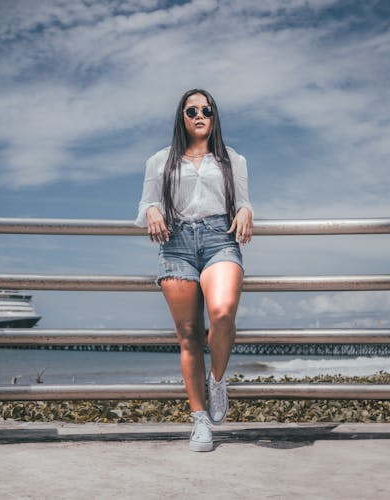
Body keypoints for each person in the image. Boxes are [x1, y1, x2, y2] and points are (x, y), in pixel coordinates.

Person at [135, 89, 253, 452]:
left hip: (220, 239)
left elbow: (244, 202)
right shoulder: (160, 161)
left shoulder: (233, 160)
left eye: (206, 109)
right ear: (182, 117)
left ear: (214, 116)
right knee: (188, 335)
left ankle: (217, 382)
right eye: (192, 110)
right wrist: (153, 210)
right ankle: (200, 420)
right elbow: (146, 203)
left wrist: (247, 210)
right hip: (177, 244)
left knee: (221, 313)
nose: (199, 115)